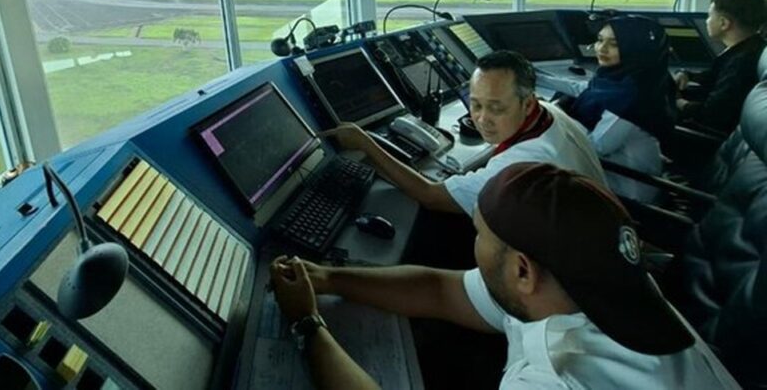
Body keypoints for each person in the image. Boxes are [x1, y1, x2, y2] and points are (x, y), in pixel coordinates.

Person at [270, 162, 740, 389]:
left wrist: (308, 324)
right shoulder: (607, 286)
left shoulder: (554, 382)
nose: (474, 246)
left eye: (478, 234)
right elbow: (441, 290)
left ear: (521, 270)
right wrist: (328, 278)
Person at [322, 50, 607, 215]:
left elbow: (431, 196)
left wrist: (366, 144)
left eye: (496, 107)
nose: (482, 119)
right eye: (476, 104)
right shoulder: (549, 112)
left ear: (528, 103)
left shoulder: (520, 164)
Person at [537, 16, 675, 203]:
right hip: (612, 172)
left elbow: (594, 147)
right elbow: (587, 88)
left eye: (614, 44)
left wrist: (549, 112)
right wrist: (536, 77)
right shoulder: (626, 79)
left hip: (628, 195)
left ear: (635, 49)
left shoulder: (632, 98)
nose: (602, 48)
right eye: (600, 40)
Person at [675, 0, 767, 135]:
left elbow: (712, 113)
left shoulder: (741, 63)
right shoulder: (749, 48)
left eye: (709, 16)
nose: (707, 21)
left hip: (712, 135)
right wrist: (686, 74)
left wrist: (679, 103)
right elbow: (714, 77)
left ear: (724, 23)